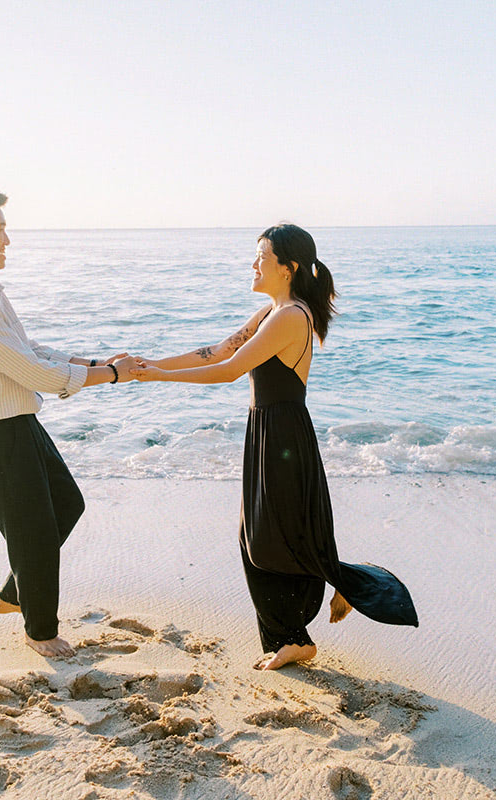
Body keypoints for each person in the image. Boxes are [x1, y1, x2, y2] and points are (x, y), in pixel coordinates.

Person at [131, 224, 418, 670]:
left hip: (283, 434)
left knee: (266, 538)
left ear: (288, 267)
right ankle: (305, 620)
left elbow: (228, 370)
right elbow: (218, 350)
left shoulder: (291, 316)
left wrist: (161, 377)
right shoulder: (271, 311)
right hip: (266, 430)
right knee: (263, 536)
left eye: (261, 256)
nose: (253, 263)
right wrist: (150, 364)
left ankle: (312, 617)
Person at [0, 182, 137, 659]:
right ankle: (40, 630)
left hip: (18, 423)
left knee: (66, 504)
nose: (8, 240)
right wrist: (109, 375)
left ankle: (16, 591)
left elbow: (28, 351)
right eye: (0, 230)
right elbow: (32, 372)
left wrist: (92, 362)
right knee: (35, 531)